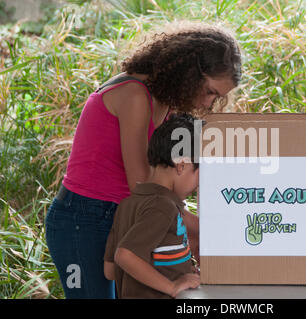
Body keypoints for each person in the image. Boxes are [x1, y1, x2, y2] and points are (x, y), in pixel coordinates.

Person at [45, 21, 241, 298]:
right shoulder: (135, 95)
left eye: (217, 97)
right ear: (189, 73)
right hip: (83, 219)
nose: (209, 103)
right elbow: (142, 183)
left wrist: (189, 228)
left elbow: (166, 178)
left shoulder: (170, 102)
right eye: (210, 91)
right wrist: (193, 224)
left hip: (123, 217)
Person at [104, 113, 202, 298]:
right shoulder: (163, 207)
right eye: (200, 172)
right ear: (181, 165)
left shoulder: (127, 204)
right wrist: (172, 286)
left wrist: (181, 270)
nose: (200, 184)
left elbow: (110, 270)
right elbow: (124, 255)